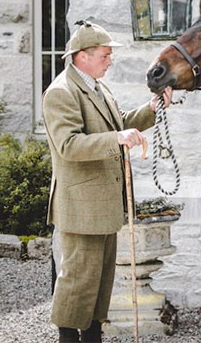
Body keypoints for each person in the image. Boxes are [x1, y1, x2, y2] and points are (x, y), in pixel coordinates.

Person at [43, 20, 172, 343]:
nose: (110, 60)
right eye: (104, 55)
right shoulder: (61, 92)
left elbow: (120, 123)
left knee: (100, 282)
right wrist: (117, 137)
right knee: (78, 280)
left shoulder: (96, 86)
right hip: (81, 207)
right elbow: (69, 145)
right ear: (81, 56)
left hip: (103, 204)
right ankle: (68, 338)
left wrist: (152, 109)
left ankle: (92, 337)